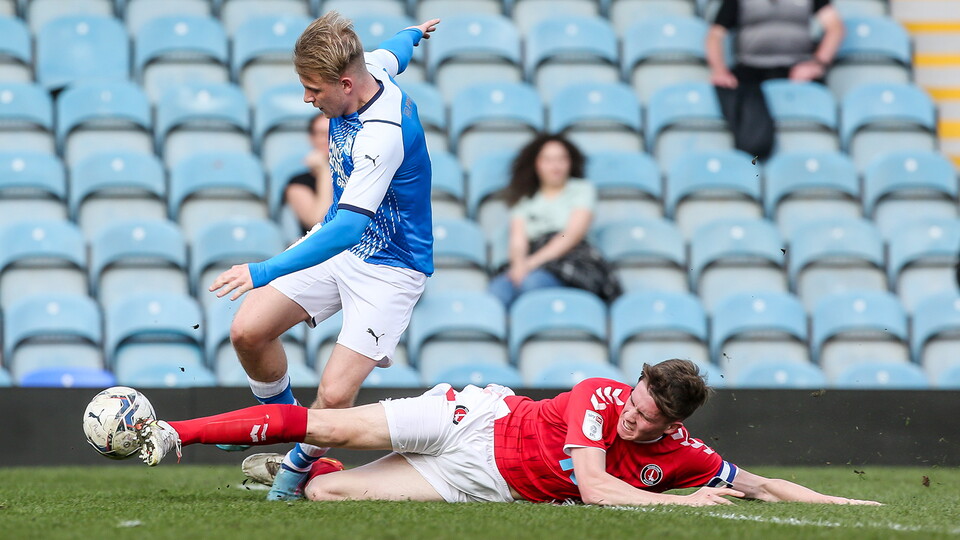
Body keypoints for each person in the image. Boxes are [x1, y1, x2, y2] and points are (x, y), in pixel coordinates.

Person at [206, 12, 440, 500]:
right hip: (341, 244)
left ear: (346, 84)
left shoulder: (381, 133)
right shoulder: (369, 67)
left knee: (334, 395)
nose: (307, 99)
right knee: (248, 331)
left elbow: (350, 227)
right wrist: (414, 33)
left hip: (391, 268)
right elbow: (394, 51)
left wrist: (263, 270)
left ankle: (294, 471)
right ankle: (277, 419)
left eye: (313, 89)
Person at [134, 359, 880, 507]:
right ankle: (175, 433)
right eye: (637, 398)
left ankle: (303, 472)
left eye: (649, 415)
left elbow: (759, 485)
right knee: (333, 422)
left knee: (330, 499)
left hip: (481, 480)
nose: (632, 414)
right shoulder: (600, 396)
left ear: (673, 425)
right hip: (476, 419)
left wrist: (841, 505)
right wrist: (681, 506)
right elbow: (596, 488)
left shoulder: (684, 455)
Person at [488, 134, 620, 307]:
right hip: (532, 256)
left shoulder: (582, 190)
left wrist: (531, 263)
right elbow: (518, 241)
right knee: (498, 290)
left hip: (570, 257)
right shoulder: (524, 199)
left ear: (570, 162)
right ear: (537, 164)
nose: (555, 166)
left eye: (561, 159)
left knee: (534, 283)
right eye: (548, 160)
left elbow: (570, 234)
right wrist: (519, 265)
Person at [705, 0, 844, 161]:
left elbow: (835, 27)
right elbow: (715, 35)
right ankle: (753, 154)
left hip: (795, 69)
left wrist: (817, 64)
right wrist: (719, 70)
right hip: (751, 71)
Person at [285, 113, 334, 235]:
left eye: (332, 132)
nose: (328, 138)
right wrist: (325, 171)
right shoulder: (298, 183)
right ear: (312, 138)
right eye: (322, 133)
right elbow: (319, 222)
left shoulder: (354, 175)